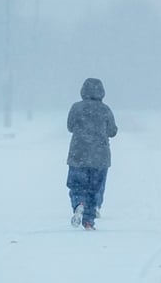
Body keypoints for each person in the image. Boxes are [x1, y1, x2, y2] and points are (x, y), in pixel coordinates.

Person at [66, 77, 117, 230]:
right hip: (100, 157)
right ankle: (88, 220)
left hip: (78, 155)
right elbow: (112, 131)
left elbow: (70, 126)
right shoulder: (105, 109)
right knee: (94, 189)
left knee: (76, 185)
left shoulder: (76, 107)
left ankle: (79, 203)